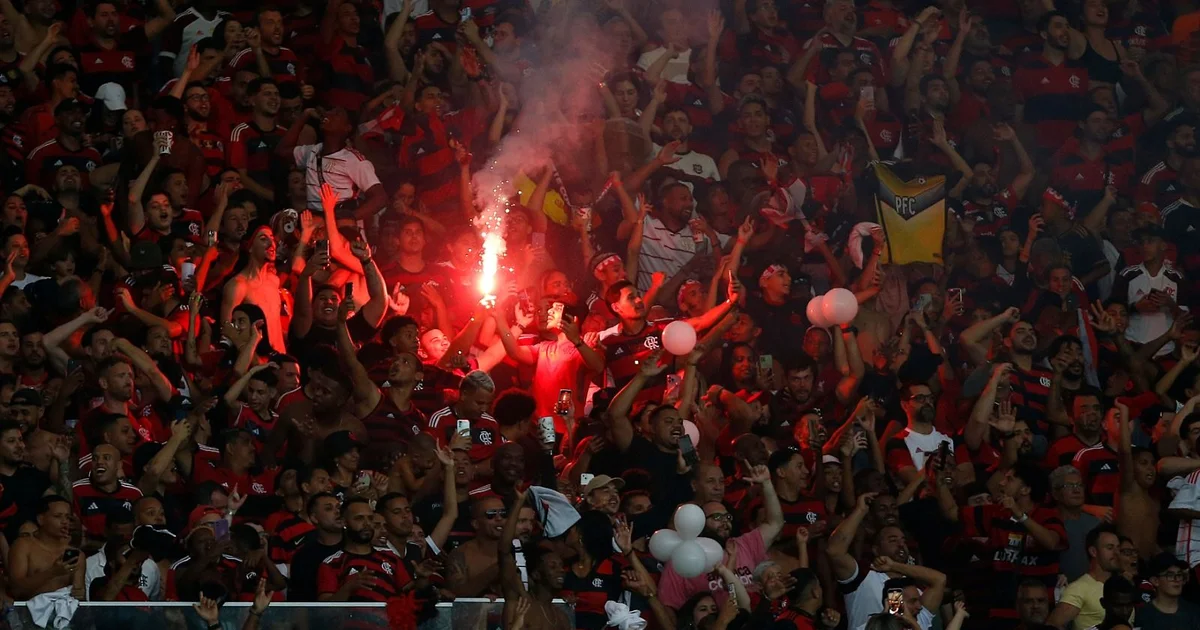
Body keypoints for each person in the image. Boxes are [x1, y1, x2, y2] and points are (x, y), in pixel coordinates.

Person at [1048, 525, 1123, 629]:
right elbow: (1053, 625)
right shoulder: (1079, 588)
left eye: (1118, 548)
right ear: (1093, 551)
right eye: (1110, 548)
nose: (1117, 553)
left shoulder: (1123, 585)